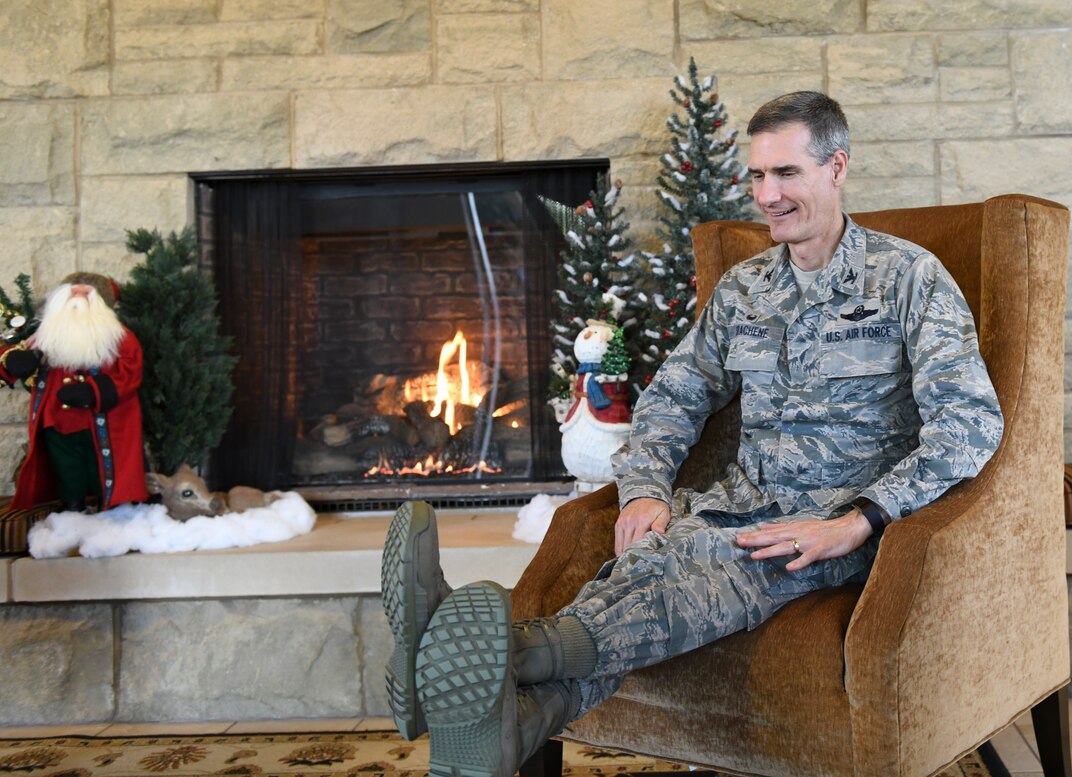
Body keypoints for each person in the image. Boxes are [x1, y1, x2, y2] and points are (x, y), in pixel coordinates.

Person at [380, 91, 1004, 777]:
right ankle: (511, 724)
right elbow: (676, 394)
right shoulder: (744, 290)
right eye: (757, 176)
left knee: (703, 581)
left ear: (836, 167)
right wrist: (643, 490)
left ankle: (477, 654)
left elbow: (970, 425)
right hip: (732, 506)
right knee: (647, 562)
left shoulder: (910, 279)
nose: (767, 195)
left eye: (786, 173)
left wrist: (862, 519)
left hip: (828, 530)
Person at [0, 272, 147, 512]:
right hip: (55, 422)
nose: (77, 298)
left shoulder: (118, 337)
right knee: (67, 472)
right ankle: (71, 513)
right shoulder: (45, 335)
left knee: (103, 469)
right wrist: (14, 361)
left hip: (103, 424)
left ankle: (109, 514)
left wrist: (95, 391)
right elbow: (10, 357)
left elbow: (131, 372)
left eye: (86, 294)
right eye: (72, 293)